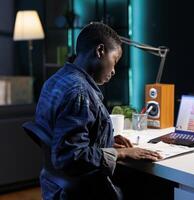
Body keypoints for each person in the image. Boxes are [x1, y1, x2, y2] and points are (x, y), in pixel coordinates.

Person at [35, 22, 162, 200]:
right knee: (159, 187)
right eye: (115, 60)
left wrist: (105, 140)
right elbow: (72, 156)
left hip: (52, 186)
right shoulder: (79, 92)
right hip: (84, 193)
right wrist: (120, 153)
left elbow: (63, 136)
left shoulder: (55, 81)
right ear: (100, 51)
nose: (114, 70)